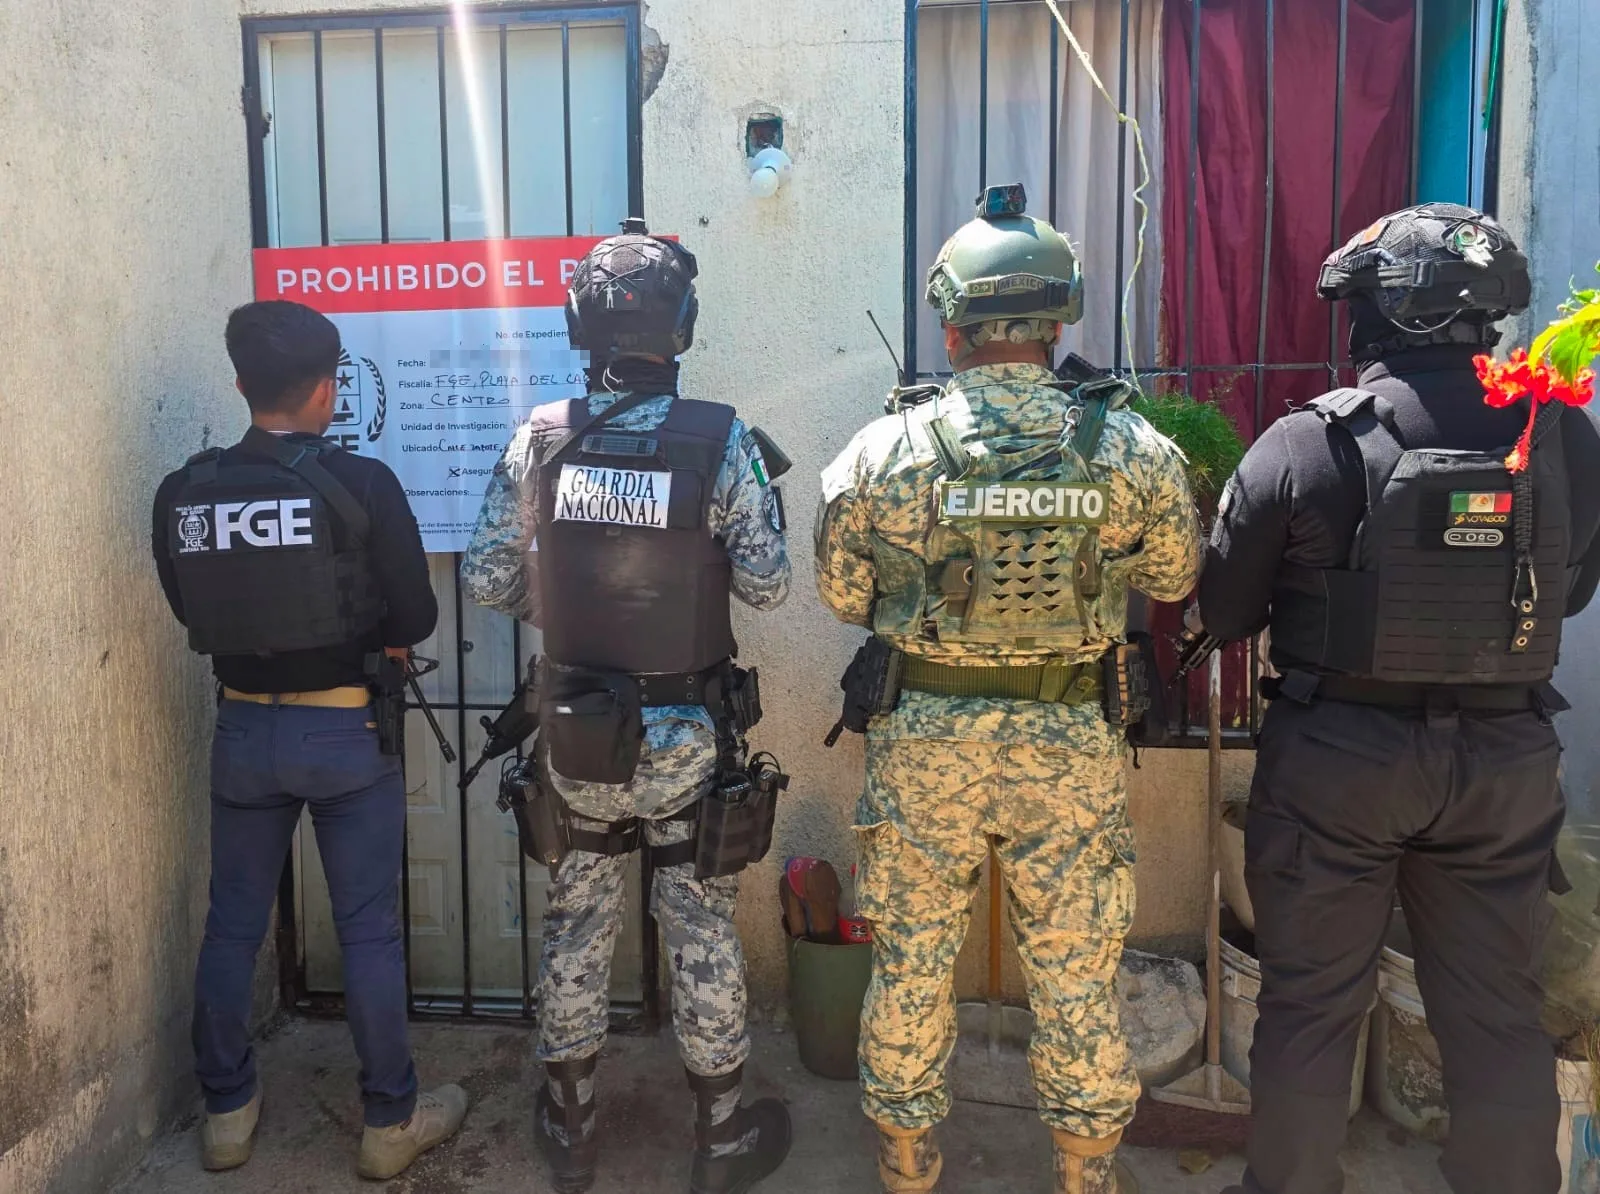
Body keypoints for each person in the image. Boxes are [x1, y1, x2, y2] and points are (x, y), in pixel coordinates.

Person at [1199, 204, 1600, 1194]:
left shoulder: (1305, 445)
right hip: (1502, 764)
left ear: (1372, 318)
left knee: (1310, 1007)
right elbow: (1574, 586)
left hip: (1338, 764)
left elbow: (1224, 607)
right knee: (1496, 1011)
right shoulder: (1567, 438)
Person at [814, 184, 1201, 1194]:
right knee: (1075, 975)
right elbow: (1170, 580)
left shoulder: (883, 449)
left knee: (908, 964)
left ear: (952, 323)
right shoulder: (1131, 448)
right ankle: (1084, 1171)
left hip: (924, 745)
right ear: (1059, 318)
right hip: (1068, 741)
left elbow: (842, 591)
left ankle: (906, 1162)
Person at [460, 219, 793, 1194]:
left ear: (580, 328)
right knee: (697, 921)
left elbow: (486, 575)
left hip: (578, 732)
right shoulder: (718, 439)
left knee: (576, 922)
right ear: (680, 329)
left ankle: (570, 1133)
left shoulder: (540, 435)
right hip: (688, 732)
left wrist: (561, 600)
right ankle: (719, 1139)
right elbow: (769, 589)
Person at [151, 301, 467, 1179]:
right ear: (328, 386)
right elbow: (416, 614)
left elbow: (189, 605)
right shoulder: (362, 483)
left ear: (241, 383)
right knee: (367, 933)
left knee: (230, 929)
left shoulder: (185, 490)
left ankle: (226, 1115)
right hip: (345, 734)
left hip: (243, 729)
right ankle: (389, 1125)